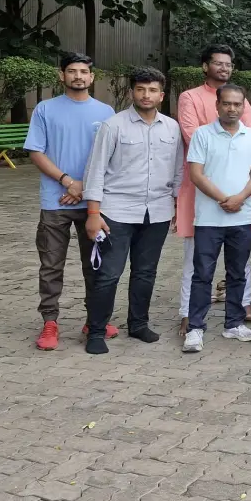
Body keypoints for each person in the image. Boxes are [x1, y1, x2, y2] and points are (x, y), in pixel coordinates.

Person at [80, 67, 179, 354]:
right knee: (109, 274)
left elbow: (178, 171)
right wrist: (93, 213)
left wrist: (176, 206)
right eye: (140, 89)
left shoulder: (171, 128)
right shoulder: (113, 126)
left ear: (161, 95)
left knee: (146, 272)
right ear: (132, 92)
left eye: (152, 90)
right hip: (116, 212)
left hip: (157, 212)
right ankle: (96, 331)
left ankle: (138, 324)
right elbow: (95, 171)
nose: (146, 95)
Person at [25, 52, 116, 351]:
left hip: (93, 205)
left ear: (92, 77)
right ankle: (50, 322)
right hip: (55, 202)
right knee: (51, 265)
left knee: (96, 266)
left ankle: (95, 320)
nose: (78, 76)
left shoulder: (106, 112)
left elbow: (111, 159)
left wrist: (84, 189)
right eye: (72, 71)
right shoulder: (45, 110)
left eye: (84, 71)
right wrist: (68, 181)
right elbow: (36, 152)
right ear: (61, 75)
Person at [176, 45, 251, 335]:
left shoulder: (248, 132)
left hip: (241, 208)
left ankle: (234, 322)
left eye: (229, 64)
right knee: (200, 268)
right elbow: (193, 141)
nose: (233, 108)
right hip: (207, 203)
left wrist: (239, 197)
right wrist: (223, 196)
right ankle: (192, 322)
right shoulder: (192, 103)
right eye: (218, 63)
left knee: (238, 270)